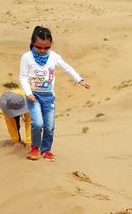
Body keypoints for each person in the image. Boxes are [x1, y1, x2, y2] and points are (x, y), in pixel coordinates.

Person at [19, 26, 90, 161]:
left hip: (48, 97)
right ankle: (35, 147)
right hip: (33, 96)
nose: (42, 50)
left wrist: (79, 79)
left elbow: (67, 68)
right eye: (39, 47)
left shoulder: (54, 57)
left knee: (49, 126)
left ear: (50, 45)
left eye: (46, 47)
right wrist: (28, 93)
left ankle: (46, 150)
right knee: (38, 124)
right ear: (33, 42)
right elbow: (23, 77)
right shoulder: (26, 57)